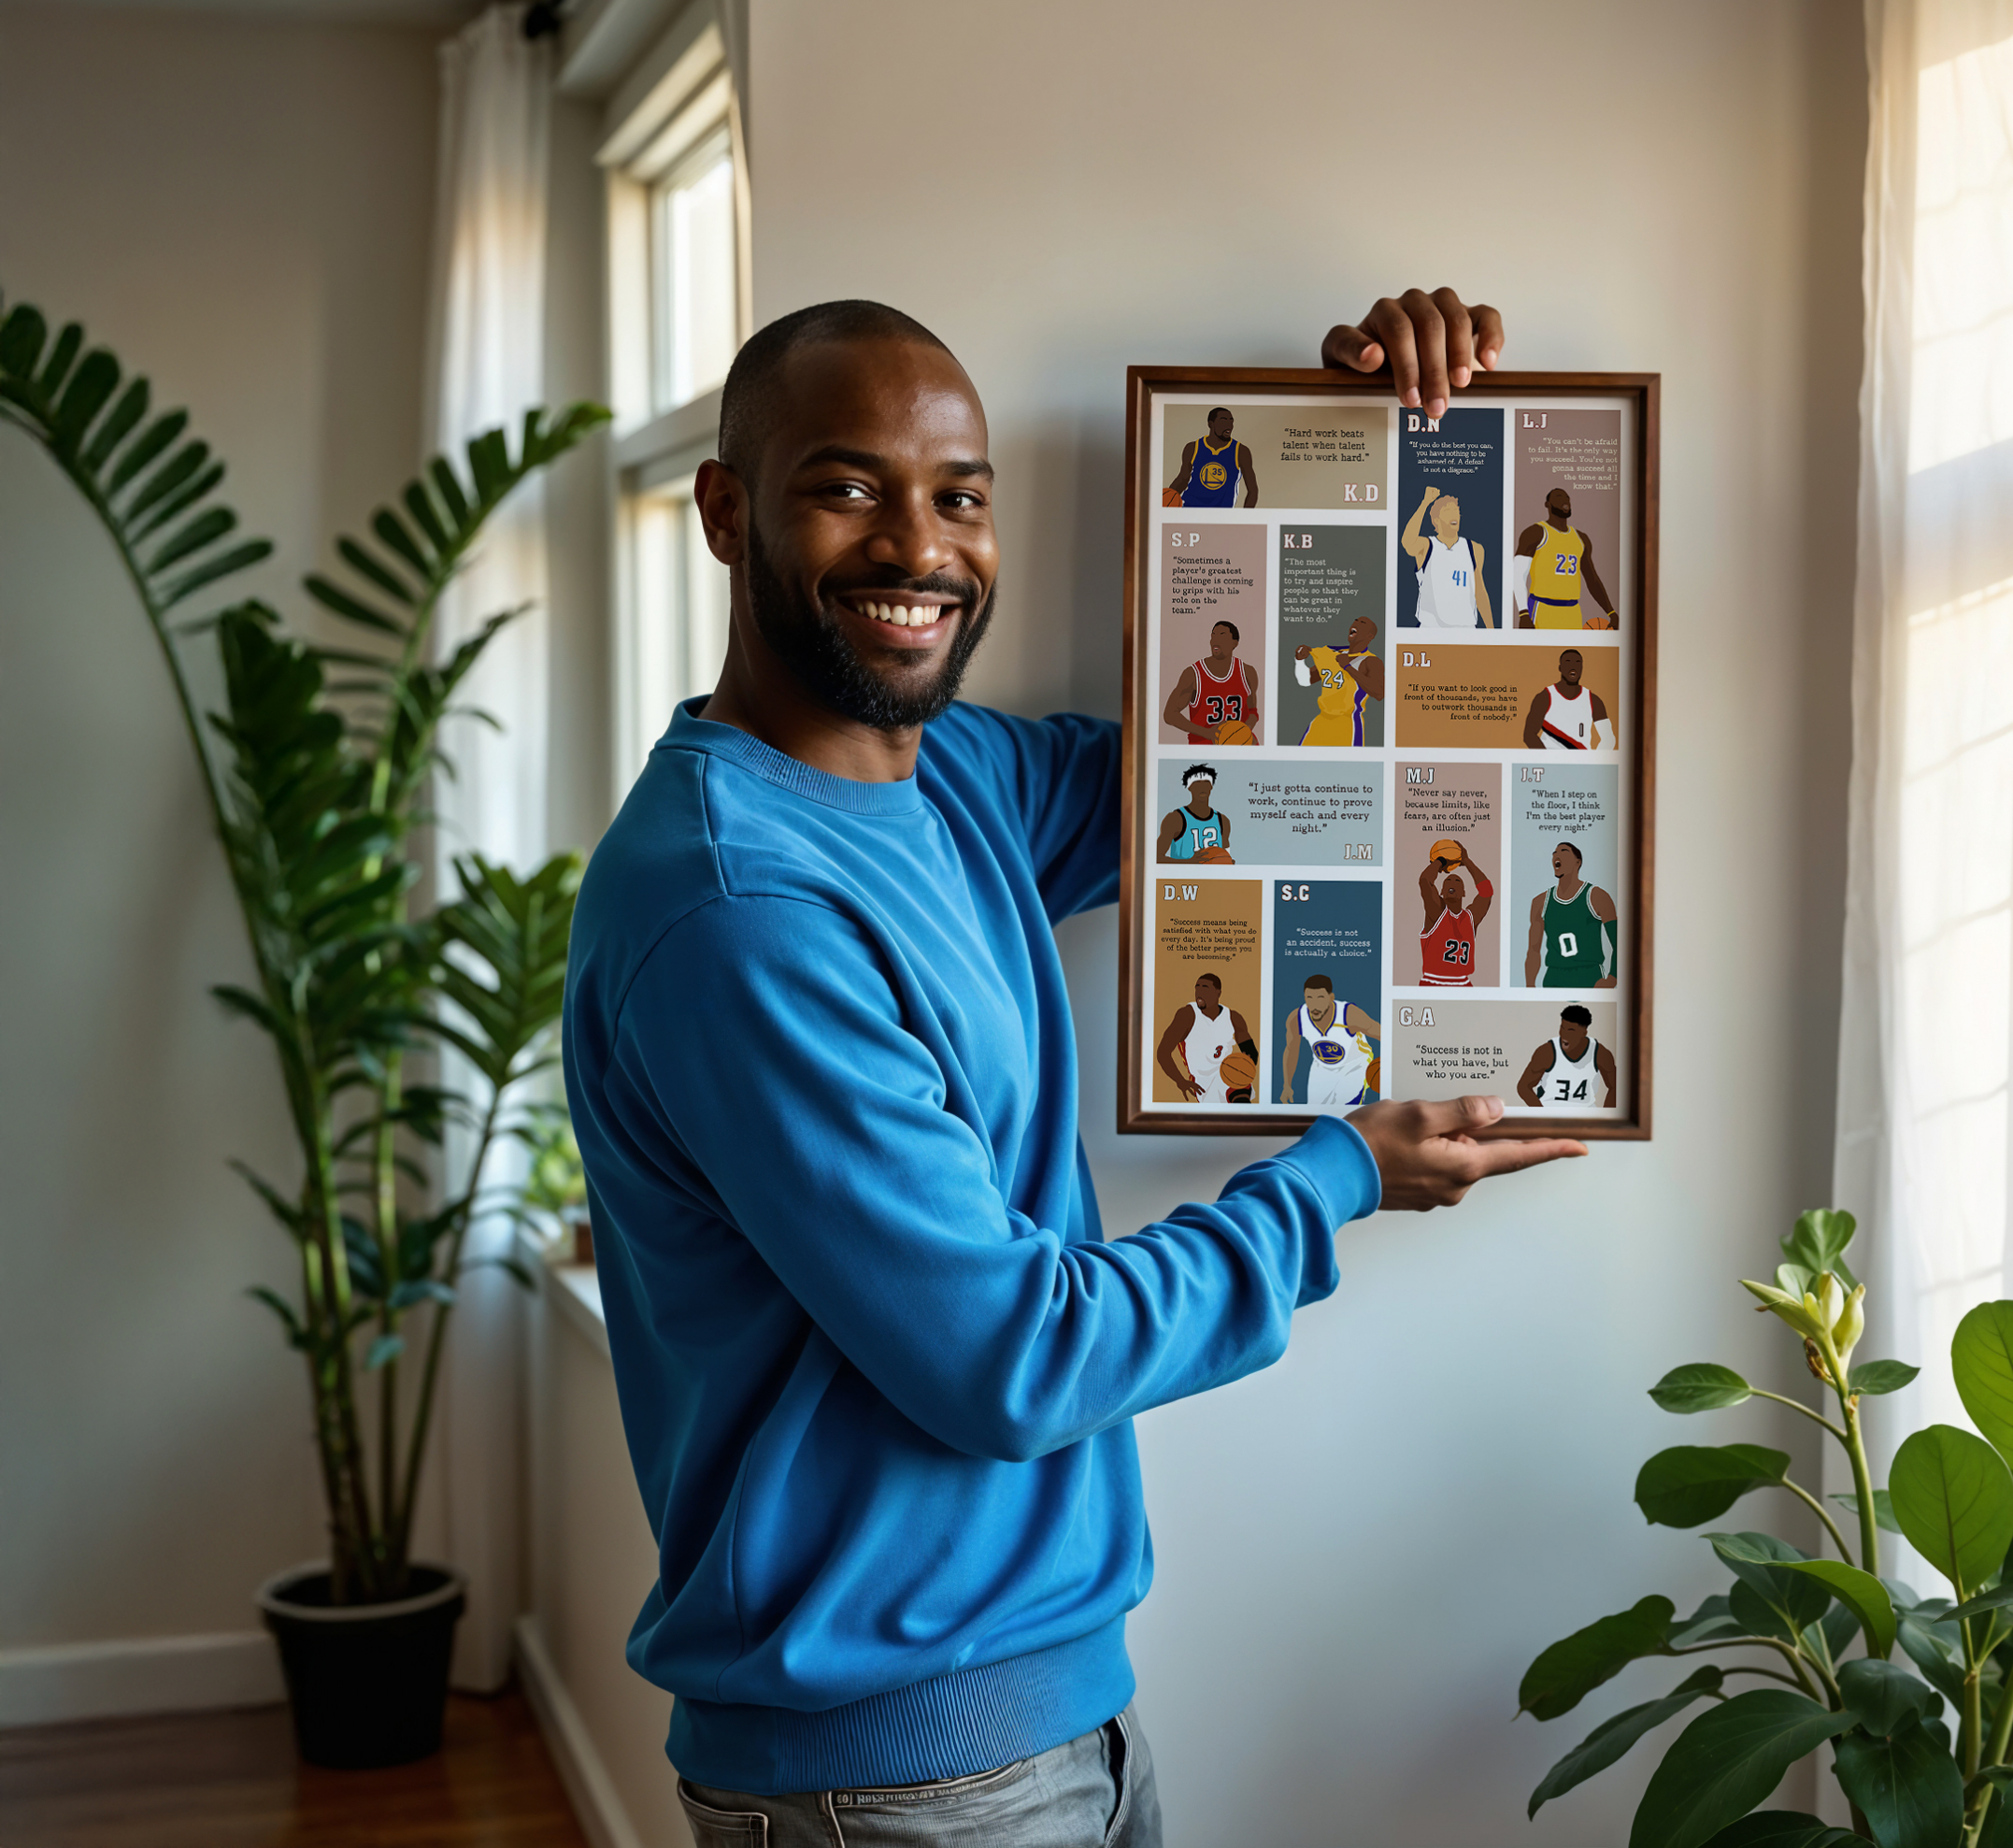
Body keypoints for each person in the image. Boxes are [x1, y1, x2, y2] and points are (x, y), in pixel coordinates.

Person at [563, 288, 1575, 1847]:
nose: (919, 548)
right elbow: (1015, 1357)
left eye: (958, 497)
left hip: (1052, 1718)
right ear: (726, 510)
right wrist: (1339, 1177)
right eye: (848, 488)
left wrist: (1365, 441)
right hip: (893, 1784)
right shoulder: (736, 910)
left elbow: (1269, 773)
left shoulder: (952, 777)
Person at [1514, 485, 1617, 628]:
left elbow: (1592, 580)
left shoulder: (1581, 538)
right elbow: (1518, 576)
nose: (1565, 500)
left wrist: (1611, 612)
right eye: (1559, 497)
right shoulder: (1535, 533)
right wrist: (1523, 613)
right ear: (1547, 504)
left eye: (1567, 497)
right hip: (1542, 608)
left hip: (1572, 611)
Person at [1523, 840, 1618, 988]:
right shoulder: (1540, 902)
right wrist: (1530, 986)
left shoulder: (1597, 896)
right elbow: (1533, 950)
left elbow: (1619, 943)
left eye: (1563, 851)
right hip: (1554, 976)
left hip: (1588, 975)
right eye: (1554, 853)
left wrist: (1613, 978)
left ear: (1577, 862)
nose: (1556, 855)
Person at [1278, 973, 1381, 1106]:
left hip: (1354, 1066)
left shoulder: (1349, 1015)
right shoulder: (1296, 1018)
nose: (1314, 1004)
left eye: (1320, 998)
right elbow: (1291, 1050)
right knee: (1315, 1114)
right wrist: (1287, 1085)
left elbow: (1383, 1034)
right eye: (1309, 998)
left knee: (1346, 1113)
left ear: (1330, 998)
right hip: (1322, 1067)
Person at [1155, 973, 1256, 1103]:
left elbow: (1251, 1051)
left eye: (1205, 987)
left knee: (1242, 1101)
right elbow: (1163, 1052)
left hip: (1228, 1073)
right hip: (1203, 1082)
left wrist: (1244, 1068)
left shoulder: (1233, 1017)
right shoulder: (1187, 1015)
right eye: (1197, 987)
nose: (1199, 991)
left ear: (1218, 992)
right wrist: (1180, 1081)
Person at [1401, 485, 1492, 629]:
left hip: (1466, 628)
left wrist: (1491, 630)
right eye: (1448, 511)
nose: (1454, 515)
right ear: (1436, 520)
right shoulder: (1427, 546)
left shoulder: (1474, 548)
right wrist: (1425, 503)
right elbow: (1407, 542)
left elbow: (1480, 591)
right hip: (1431, 628)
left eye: (1456, 511)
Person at [1161, 619, 1258, 743]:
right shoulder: (1193, 674)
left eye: (1222, 635)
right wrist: (1206, 733)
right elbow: (1170, 714)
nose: (1215, 640)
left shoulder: (1248, 672)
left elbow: (1253, 711)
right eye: (1213, 635)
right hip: (1204, 749)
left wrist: (1244, 729)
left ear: (1235, 643)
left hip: (1239, 748)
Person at [1293, 613, 1383, 746]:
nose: (1356, 623)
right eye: (1356, 620)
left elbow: (1379, 693)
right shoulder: (1332, 655)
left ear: (1370, 636)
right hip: (1321, 721)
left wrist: (1348, 667)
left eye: (1362, 623)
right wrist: (1299, 661)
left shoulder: (1371, 661)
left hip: (1347, 723)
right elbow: (1305, 681)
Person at [1418, 840, 1492, 985]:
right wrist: (1440, 861)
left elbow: (1487, 892)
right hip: (1433, 982)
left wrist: (1467, 861)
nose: (1452, 882)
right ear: (1441, 892)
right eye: (1448, 880)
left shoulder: (1470, 917)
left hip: (1463, 983)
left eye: (1457, 881)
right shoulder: (1437, 912)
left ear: (1464, 892)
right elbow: (1425, 881)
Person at [1516, 1003, 1616, 1109]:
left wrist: (1606, 1117)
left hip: (1585, 1115)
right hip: (1551, 1111)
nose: (1564, 1034)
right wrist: (1543, 1113)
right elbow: (1523, 1087)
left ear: (1584, 1033)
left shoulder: (1600, 1053)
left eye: (1571, 1031)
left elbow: (1616, 1087)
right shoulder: (1547, 1052)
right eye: (1562, 1028)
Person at [1522, 647, 1615, 752]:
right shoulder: (1545, 697)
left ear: (1582, 668)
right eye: (1568, 662)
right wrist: (1547, 759)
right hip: (1551, 764)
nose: (1573, 666)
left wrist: (1592, 762)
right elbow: (1529, 735)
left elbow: (1609, 739)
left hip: (1580, 763)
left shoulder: (1593, 700)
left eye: (1577, 663)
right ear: (1560, 668)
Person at [1165, 406, 1259, 509]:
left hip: (1221, 515)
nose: (1229, 425)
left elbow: (1252, 490)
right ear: (1211, 424)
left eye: (1231, 421)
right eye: (1224, 421)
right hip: (1190, 509)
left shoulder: (1241, 451)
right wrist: (1165, 503)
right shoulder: (1193, 448)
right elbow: (1183, 479)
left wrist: (1245, 518)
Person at [1156, 762, 1231, 863]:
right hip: (1183, 878)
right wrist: (1189, 862)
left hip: (1212, 878)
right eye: (1197, 783)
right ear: (1189, 787)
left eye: (1206, 782)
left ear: (1211, 786)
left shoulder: (1223, 820)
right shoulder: (1175, 818)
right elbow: (1156, 858)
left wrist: (1228, 863)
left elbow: (1226, 858)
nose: (1202, 787)